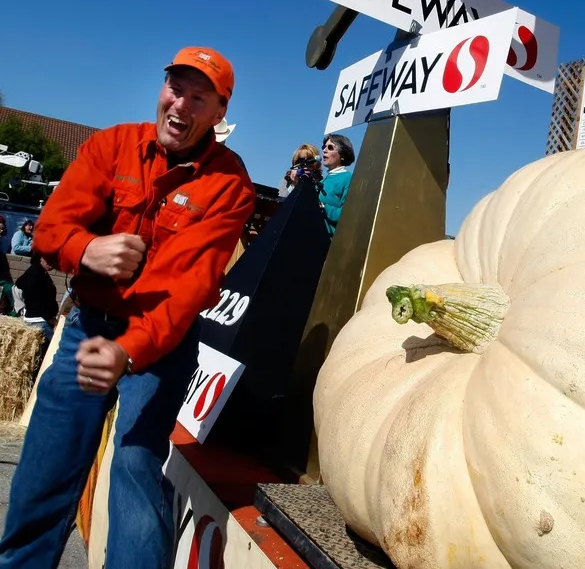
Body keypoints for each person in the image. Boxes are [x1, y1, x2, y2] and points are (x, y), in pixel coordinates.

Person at [0, 46, 255, 569]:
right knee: (45, 471)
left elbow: (182, 293)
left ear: (218, 112)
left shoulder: (230, 187)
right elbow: (50, 230)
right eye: (175, 89)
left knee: (136, 469)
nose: (180, 105)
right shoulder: (111, 145)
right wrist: (85, 249)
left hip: (161, 345)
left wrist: (128, 352)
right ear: (162, 90)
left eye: (198, 97)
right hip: (87, 328)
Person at [14, 252, 59, 351]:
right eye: (49, 259)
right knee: (56, 349)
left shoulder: (40, 271)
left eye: (55, 261)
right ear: (40, 257)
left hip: (41, 319)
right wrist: (51, 320)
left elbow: (19, 283)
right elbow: (36, 301)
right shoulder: (35, 273)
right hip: (39, 321)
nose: (52, 264)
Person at [318, 133, 354, 236]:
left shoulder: (347, 179)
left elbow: (347, 215)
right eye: (324, 147)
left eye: (330, 147)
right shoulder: (322, 181)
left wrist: (324, 207)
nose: (324, 150)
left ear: (342, 154)